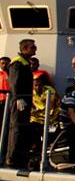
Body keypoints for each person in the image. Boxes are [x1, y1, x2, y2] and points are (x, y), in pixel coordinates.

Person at [5, 39, 36, 168]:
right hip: (20, 100)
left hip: (26, 100)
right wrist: (18, 98)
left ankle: (20, 155)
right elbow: (14, 82)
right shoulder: (17, 63)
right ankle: (11, 157)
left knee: (23, 128)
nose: (35, 49)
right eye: (32, 47)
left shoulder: (25, 63)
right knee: (16, 128)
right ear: (24, 49)